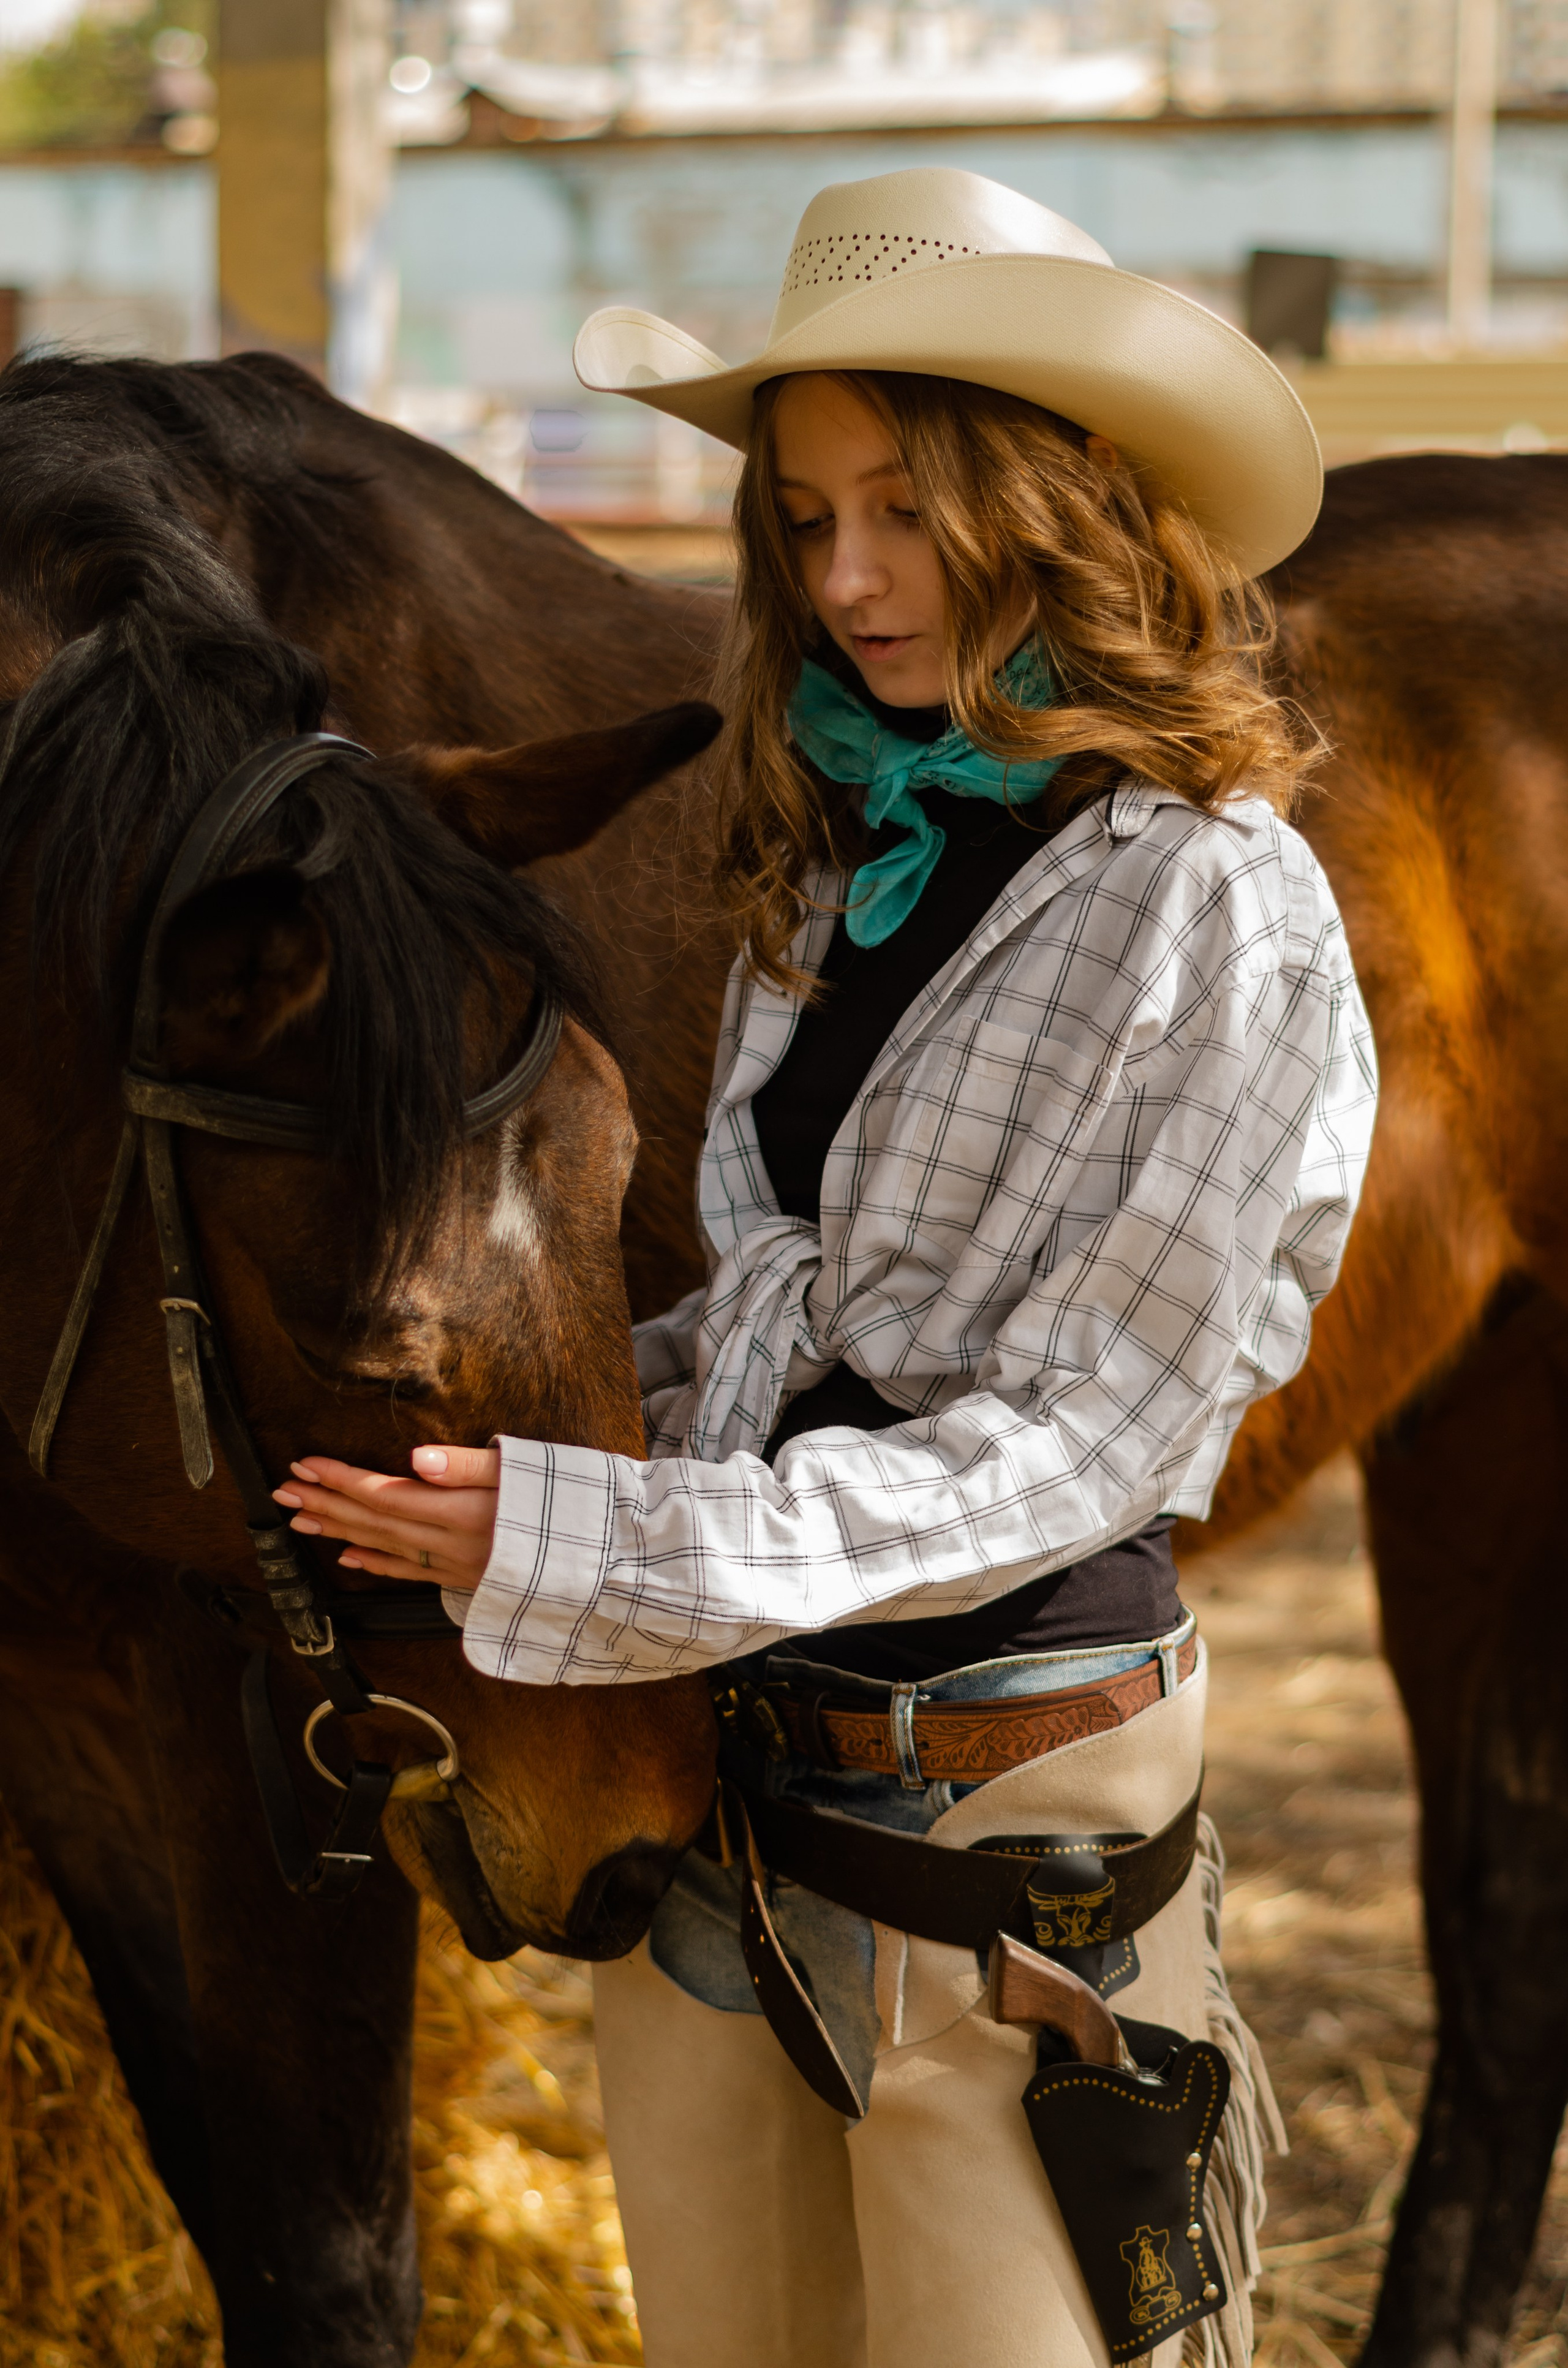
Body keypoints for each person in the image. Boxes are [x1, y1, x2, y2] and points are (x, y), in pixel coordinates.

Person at [274, 168, 1376, 2368]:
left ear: (1058, 500)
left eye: (906, 504)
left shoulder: (1219, 910)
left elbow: (1075, 1436)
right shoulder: (839, 854)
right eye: (803, 517)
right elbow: (793, 1323)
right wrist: (492, 1440)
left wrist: (599, 1530)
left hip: (1007, 1831)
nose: (848, 576)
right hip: (730, 1814)